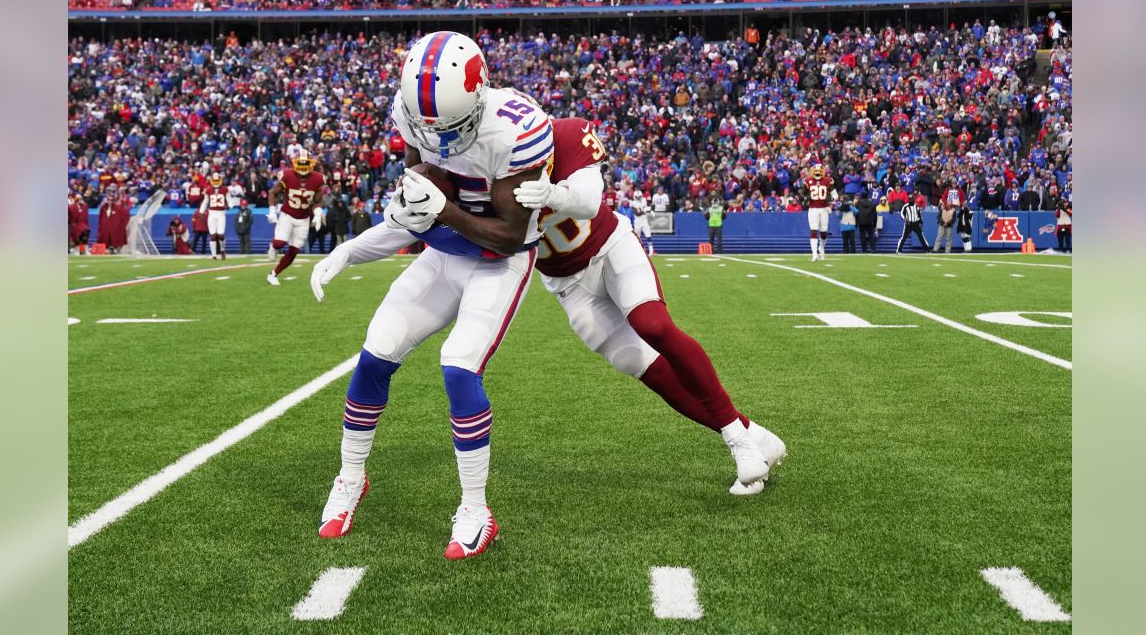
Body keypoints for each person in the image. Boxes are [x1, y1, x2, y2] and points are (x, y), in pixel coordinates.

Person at [314, 118, 783, 496]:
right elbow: (416, 224)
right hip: (566, 285)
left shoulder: (565, 135)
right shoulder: (482, 170)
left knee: (652, 323)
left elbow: (590, 198)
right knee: (643, 368)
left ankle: (738, 440)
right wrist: (350, 250)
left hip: (609, 249)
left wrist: (554, 194)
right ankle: (753, 434)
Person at [309, 32, 552, 560]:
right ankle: (351, 478)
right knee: (375, 353)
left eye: (449, 127)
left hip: (498, 262)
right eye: (426, 129)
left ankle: (475, 509)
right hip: (443, 253)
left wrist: (440, 208)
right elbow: (421, 199)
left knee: (458, 364)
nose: (436, 139)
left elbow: (508, 234)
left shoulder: (516, 128)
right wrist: (352, 249)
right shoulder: (410, 112)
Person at [266, 151, 324, 285]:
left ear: (311, 164)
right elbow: (273, 192)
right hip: (287, 215)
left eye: (306, 163)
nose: (303, 166)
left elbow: (317, 201)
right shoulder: (287, 175)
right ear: (295, 163)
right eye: (301, 163)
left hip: (303, 219)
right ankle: (273, 246)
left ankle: (273, 274)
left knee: (294, 251)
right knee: (279, 243)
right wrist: (272, 210)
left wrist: (318, 213)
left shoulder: (318, 179)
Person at [802, 164, 835, 261]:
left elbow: (835, 195)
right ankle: (814, 254)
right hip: (813, 209)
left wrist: (831, 203)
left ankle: (821, 247)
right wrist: (805, 199)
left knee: (824, 233)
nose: (817, 174)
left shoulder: (828, 180)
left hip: (824, 209)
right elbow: (803, 194)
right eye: (815, 172)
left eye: (819, 172)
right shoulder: (808, 180)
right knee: (813, 230)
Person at [200, 172, 230, 260]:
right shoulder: (208, 190)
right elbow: (205, 201)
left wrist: (230, 205)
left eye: (217, 180)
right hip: (211, 213)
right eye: (214, 180)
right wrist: (201, 211)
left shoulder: (225, 189)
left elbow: (229, 199)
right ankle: (213, 255)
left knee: (220, 234)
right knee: (212, 235)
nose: (216, 182)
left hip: (221, 213)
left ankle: (222, 249)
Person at [630, 189, 654, 256]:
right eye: (637, 197)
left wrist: (650, 211)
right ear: (634, 196)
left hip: (644, 221)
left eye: (639, 196)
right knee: (637, 238)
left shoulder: (644, 200)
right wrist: (644, 210)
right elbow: (637, 213)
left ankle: (651, 251)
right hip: (637, 222)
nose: (638, 198)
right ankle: (638, 251)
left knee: (648, 235)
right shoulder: (632, 203)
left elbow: (648, 207)